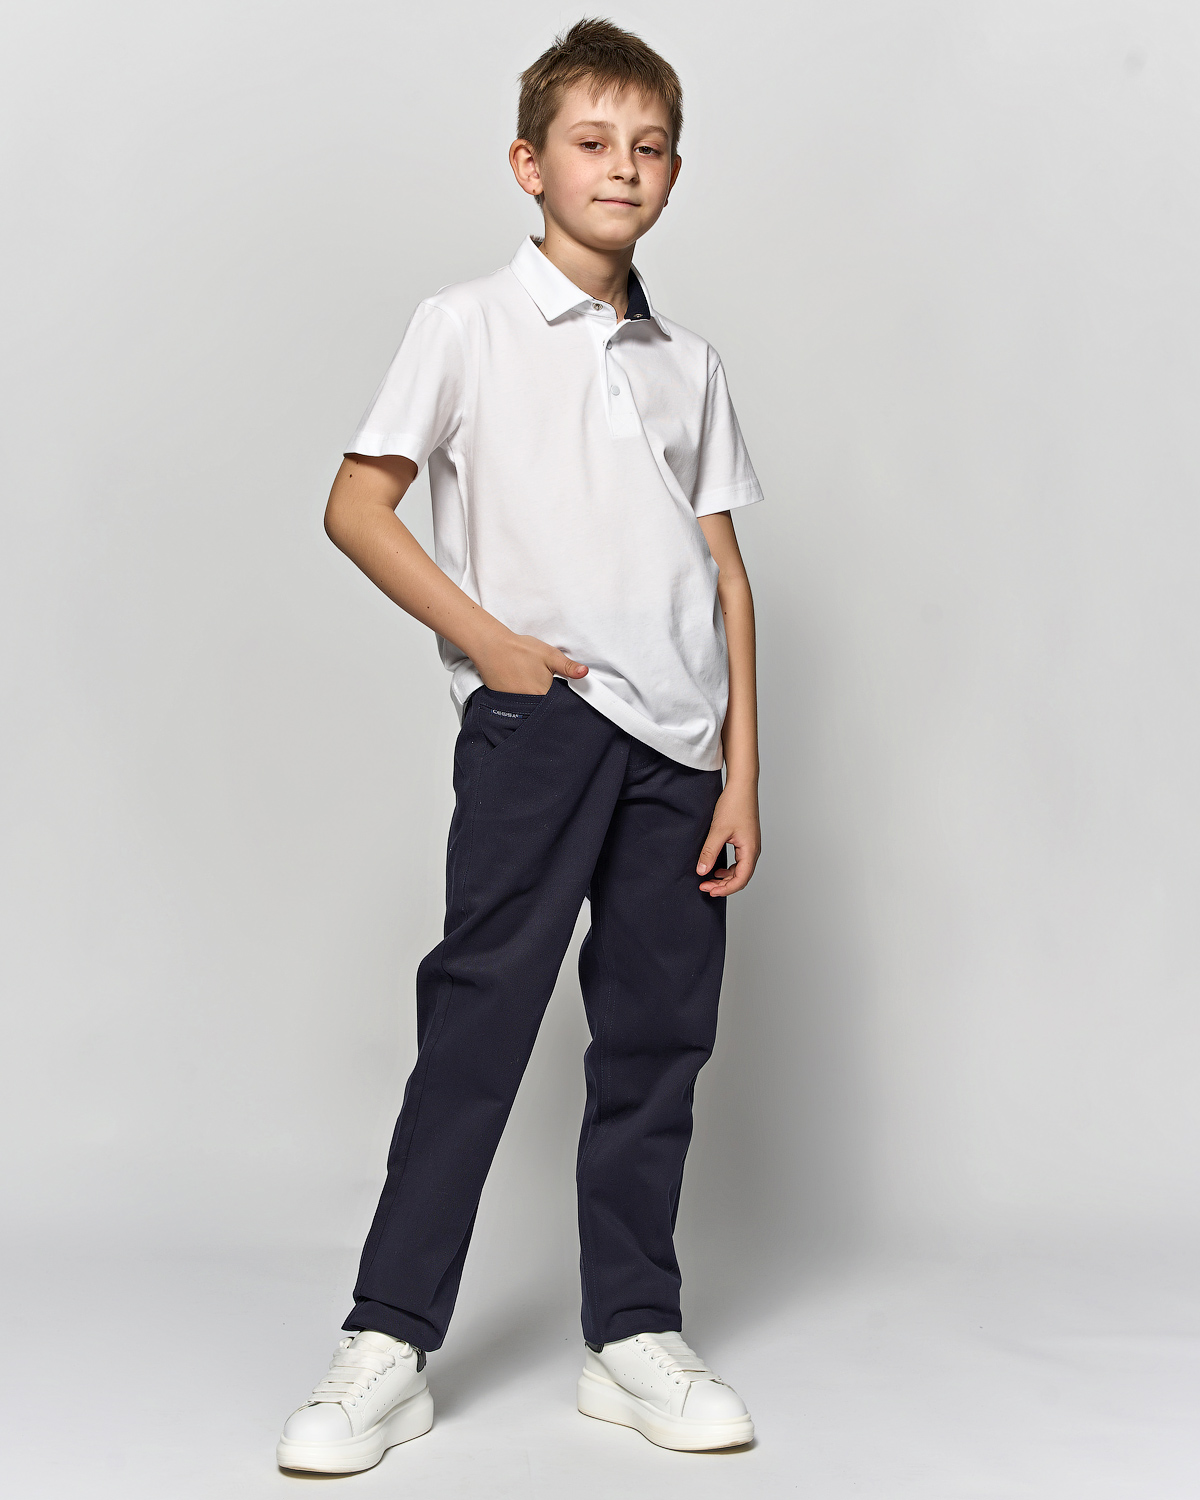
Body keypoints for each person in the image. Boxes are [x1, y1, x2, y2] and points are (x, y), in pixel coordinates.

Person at [277, 17, 764, 1473]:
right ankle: (386, 1344)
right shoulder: (466, 325)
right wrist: (491, 644)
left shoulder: (687, 362)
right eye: (593, 142)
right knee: (479, 1027)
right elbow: (357, 504)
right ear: (528, 164)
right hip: (544, 725)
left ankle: (634, 1335)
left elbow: (725, 573)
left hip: (682, 748)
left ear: (673, 171)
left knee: (657, 1040)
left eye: (650, 146)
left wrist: (743, 769)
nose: (624, 167)